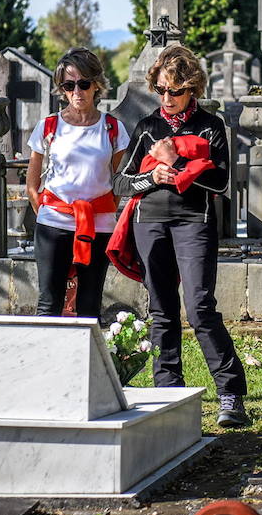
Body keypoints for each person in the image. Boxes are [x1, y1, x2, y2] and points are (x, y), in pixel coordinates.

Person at [111, 45, 250, 428]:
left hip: (194, 222)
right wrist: (151, 176)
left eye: (174, 90)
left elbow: (220, 181)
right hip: (148, 222)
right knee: (161, 311)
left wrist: (178, 162)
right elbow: (120, 181)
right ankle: (167, 394)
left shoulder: (209, 125)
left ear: (192, 88)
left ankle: (231, 393)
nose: (166, 98)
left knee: (200, 306)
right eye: (160, 90)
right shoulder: (148, 127)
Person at [25, 48, 129, 319]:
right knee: (49, 304)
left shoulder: (112, 129)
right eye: (69, 85)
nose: (77, 92)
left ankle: (85, 361)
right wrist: (52, 214)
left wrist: (99, 211)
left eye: (83, 84)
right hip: (54, 223)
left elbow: (116, 182)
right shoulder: (48, 126)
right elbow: (32, 185)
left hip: (98, 224)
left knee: (90, 305)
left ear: (96, 84)